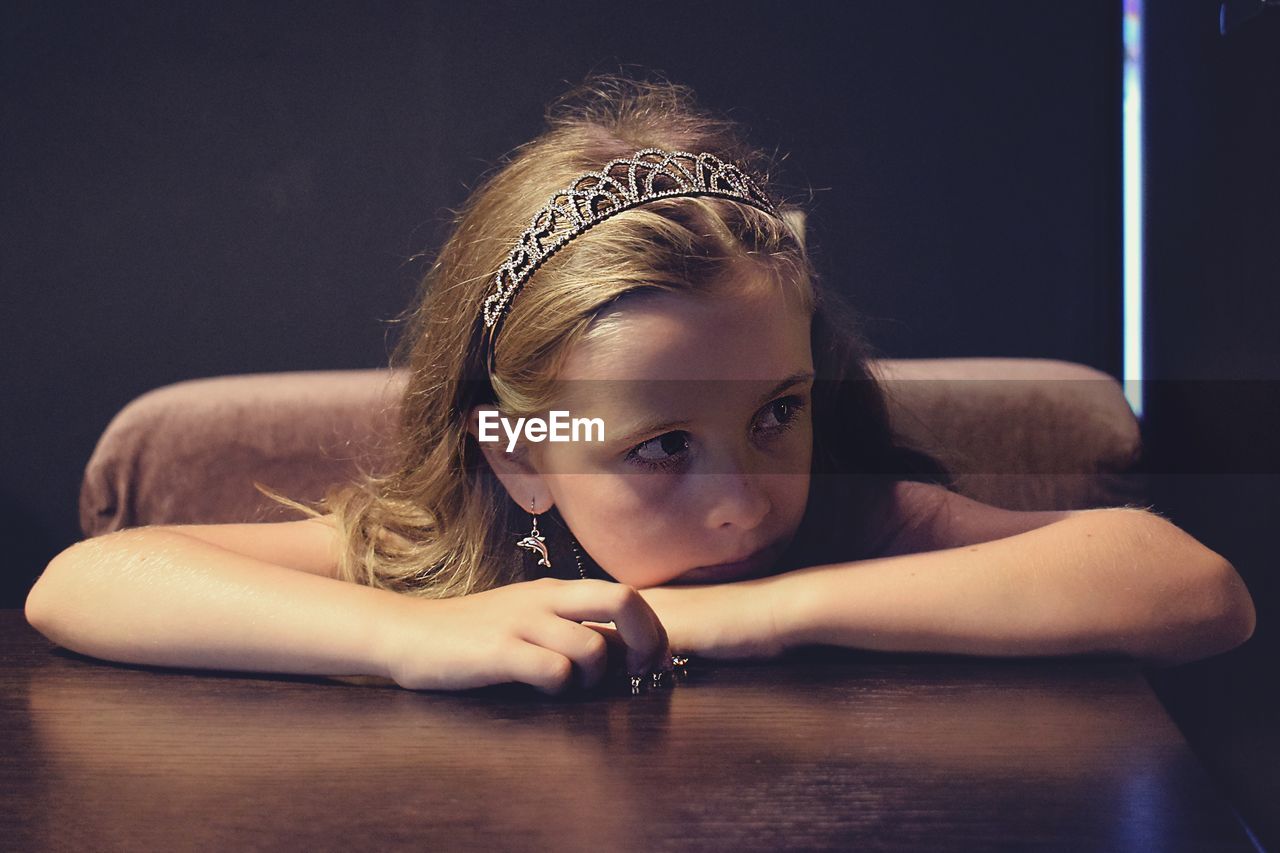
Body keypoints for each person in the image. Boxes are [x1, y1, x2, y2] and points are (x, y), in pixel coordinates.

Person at [24, 73, 1255, 696]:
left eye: (776, 413)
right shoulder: (473, 557)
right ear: (521, 452)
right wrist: (407, 634)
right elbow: (81, 581)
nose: (739, 498)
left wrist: (749, 612)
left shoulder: (855, 523)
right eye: (659, 445)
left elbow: (1196, 591)